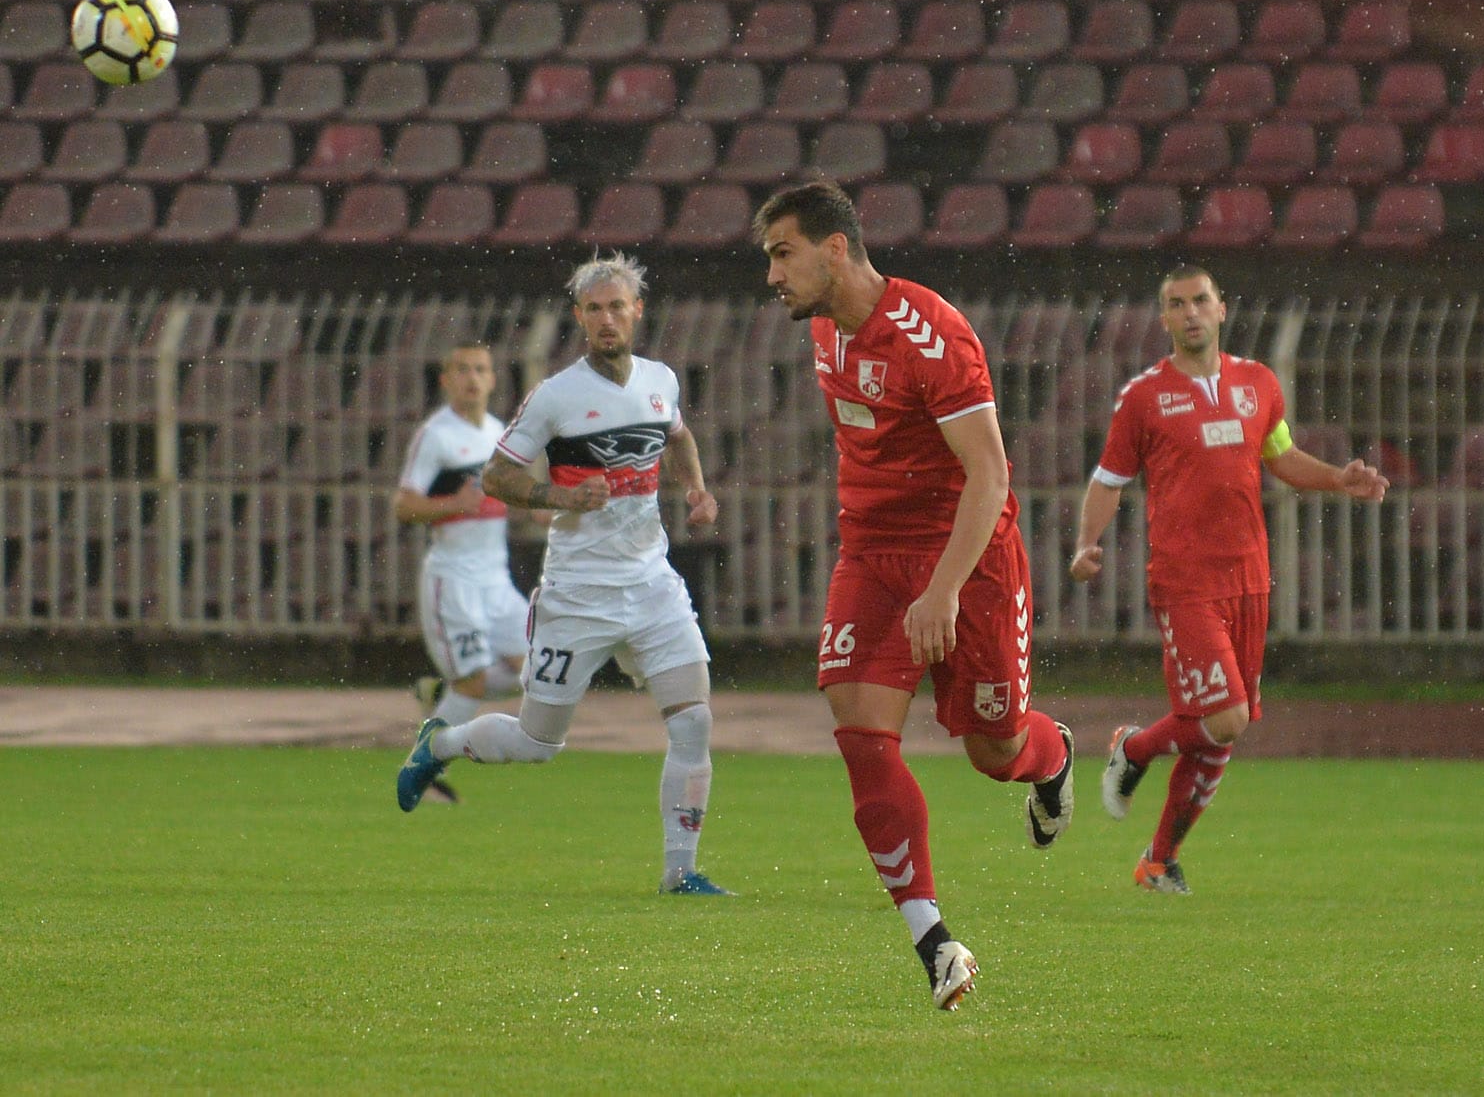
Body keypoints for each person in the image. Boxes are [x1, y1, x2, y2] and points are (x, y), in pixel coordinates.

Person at [752, 181, 1075, 1011]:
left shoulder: (933, 336)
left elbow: (990, 476)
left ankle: (1054, 756)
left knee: (994, 751)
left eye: (783, 254)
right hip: (871, 555)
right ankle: (934, 942)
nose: (773, 276)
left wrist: (942, 591)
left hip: (968, 558)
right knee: (860, 733)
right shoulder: (824, 328)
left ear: (834, 249)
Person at [396, 252, 732, 898]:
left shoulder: (660, 380)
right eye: (594, 309)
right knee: (538, 743)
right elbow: (497, 476)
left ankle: (680, 872)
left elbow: (679, 436)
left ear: (637, 311)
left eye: (617, 307)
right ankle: (439, 745)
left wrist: (696, 488)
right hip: (578, 594)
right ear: (579, 317)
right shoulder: (555, 396)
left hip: (653, 585)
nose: (607, 319)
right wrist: (560, 497)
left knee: (693, 721)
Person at [1070, 265, 1390, 894]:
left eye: (1200, 301)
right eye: (1177, 304)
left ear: (1222, 310)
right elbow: (1109, 480)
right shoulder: (1143, 397)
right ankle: (1134, 750)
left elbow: (1281, 455)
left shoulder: (1258, 383)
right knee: (1228, 717)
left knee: (1218, 736)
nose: (1190, 312)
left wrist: (1338, 479)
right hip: (1185, 581)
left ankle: (1158, 861)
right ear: (1164, 318)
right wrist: (1086, 543)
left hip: (1250, 577)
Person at [393, 343, 530, 804]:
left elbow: (507, 497)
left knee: (537, 674)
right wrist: (455, 503)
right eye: (462, 370)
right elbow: (404, 505)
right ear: (446, 380)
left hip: (496, 579)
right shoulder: (436, 436)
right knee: (472, 683)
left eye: (480, 370)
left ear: (492, 379)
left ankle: (439, 697)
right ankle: (425, 771)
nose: (472, 378)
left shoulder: (499, 433)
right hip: (453, 578)